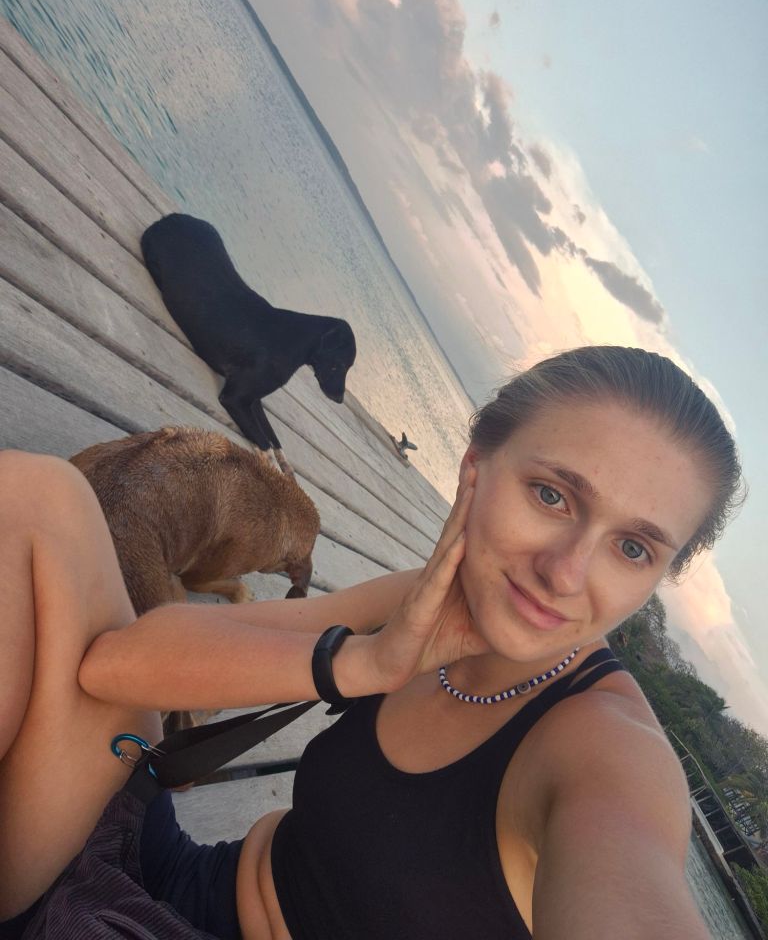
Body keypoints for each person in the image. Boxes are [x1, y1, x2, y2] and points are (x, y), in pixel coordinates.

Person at [0, 345, 743, 939]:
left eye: (633, 548)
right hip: (175, 874)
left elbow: (629, 889)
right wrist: (367, 661)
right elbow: (117, 666)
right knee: (40, 499)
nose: (565, 573)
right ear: (475, 470)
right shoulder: (430, 599)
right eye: (552, 495)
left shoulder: (611, 756)